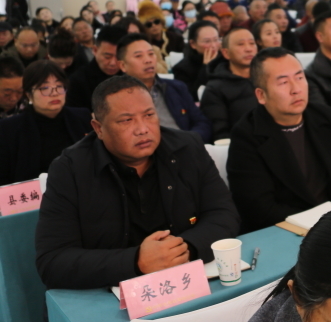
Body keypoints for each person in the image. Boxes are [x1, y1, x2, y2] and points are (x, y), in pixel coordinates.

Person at [34, 75, 240, 289]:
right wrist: (136, 261)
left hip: (185, 282)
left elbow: (224, 213)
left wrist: (183, 249)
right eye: (126, 120)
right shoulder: (70, 170)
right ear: (99, 128)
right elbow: (52, 261)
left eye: (149, 115)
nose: (143, 129)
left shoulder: (187, 147)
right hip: (110, 295)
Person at [226, 49, 331, 232]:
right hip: (290, 231)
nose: (296, 89)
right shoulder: (246, 135)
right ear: (261, 95)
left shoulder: (323, 116)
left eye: (300, 78)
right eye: (283, 82)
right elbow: (259, 209)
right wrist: (322, 223)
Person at [0, 60, 91, 184]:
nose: (54, 93)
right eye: (45, 88)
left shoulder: (82, 117)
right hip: (34, 194)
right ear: (29, 94)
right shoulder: (8, 129)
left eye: (59, 86)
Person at [117, 34, 212, 143]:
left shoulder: (176, 87)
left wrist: (189, 140)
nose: (148, 60)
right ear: (123, 65)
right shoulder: (118, 98)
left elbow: (202, 123)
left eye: (151, 54)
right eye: (138, 56)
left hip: (185, 145)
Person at [201, 28, 259, 141]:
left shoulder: (267, 78)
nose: (248, 49)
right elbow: (220, 132)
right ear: (226, 53)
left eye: (252, 43)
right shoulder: (215, 88)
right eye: (241, 44)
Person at [65, 25, 126, 109]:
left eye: (118, 57)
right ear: (95, 50)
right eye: (107, 57)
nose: (113, 63)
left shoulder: (130, 74)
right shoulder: (78, 81)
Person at [173, 20, 220, 102]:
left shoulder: (226, 60)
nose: (213, 45)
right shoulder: (182, 69)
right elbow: (191, 96)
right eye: (207, 41)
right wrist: (206, 67)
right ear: (193, 44)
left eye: (216, 40)